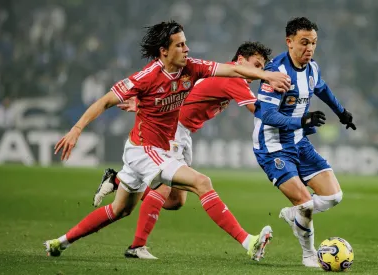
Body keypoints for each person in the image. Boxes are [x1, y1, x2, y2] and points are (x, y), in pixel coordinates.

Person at [44, 20, 291, 262]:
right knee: (201, 182)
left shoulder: (191, 68)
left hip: (153, 149)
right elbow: (105, 101)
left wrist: (265, 75)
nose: (187, 49)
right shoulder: (146, 77)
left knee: (126, 209)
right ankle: (248, 242)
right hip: (145, 150)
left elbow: (234, 70)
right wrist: (77, 129)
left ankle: (59, 243)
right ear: (164, 51)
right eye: (181, 45)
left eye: (186, 44)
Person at [93, 41, 273, 259]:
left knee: (176, 201)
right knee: (173, 187)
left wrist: (145, 104)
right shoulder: (233, 78)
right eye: (256, 64)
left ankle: (119, 181)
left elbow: (181, 90)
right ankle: (247, 241)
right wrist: (296, 119)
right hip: (173, 131)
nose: (259, 71)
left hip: (183, 133)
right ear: (241, 61)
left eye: (262, 68)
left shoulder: (225, 75)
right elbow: (262, 113)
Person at [252, 17, 356, 268]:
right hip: (273, 146)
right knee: (306, 204)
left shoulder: (312, 68)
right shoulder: (276, 72)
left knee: (334, 196)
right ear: (289, 42)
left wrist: (341, 112)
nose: (309, 48)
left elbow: (322, 89)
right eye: (304, 42)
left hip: (299, 142)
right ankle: (309, 255)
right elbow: (265, 114)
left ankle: (294, 214)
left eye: (313, 43)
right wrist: (303, 120)